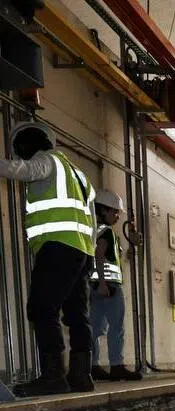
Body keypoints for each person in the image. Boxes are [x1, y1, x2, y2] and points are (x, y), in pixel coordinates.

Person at [0, 120, 96, 396]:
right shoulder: (79, 173)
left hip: (57, 248)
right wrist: (88, 254)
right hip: (80, 251)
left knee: (42, 308)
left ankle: (54, 375)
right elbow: (89, 217)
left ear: (32, 141)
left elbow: (26, 170)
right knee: (78, 314)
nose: (19, 152)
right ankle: (81, 375)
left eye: (20, 146)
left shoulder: (47, 160)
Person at [89, 189, 141, 381]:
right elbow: (100, 256)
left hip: (95, 287)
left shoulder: (94, 230)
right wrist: (103, 283)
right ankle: (117, 365)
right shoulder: (108, 233)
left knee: (94, 328)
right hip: (109, 287)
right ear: (102, 210)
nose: (118, 216)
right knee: (116, 328)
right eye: (114, 212)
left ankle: (92, 366)